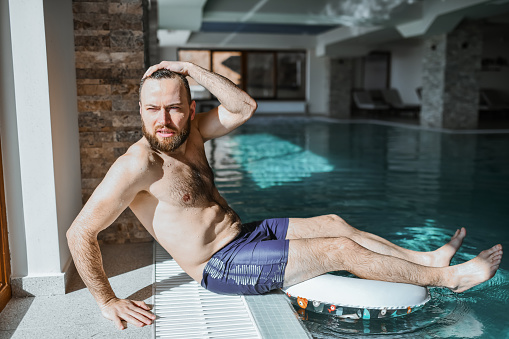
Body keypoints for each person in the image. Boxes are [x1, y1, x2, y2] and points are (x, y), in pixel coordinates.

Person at [67, 61, 503, 330]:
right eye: (151, 108)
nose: (163, 118)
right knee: (340, 248)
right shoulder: (138, 164)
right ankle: (450, 279)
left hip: (245, 236)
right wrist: (107, 300)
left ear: (189, 108)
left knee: (333, 222)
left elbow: (244, 108)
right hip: (220, 266)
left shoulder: (194, 134)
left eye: (174, 106)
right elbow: (79, 232)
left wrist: (191, 69)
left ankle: (427, 260)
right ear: (140, 110)